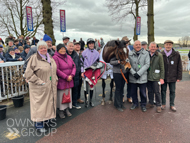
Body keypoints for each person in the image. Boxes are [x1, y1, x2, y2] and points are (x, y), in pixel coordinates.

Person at [25, 40, 58, 133]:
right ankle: (39, 124)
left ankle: (46, 120)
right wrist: (40, 82)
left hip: (49, 85)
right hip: (39, 87)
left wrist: (56, 79)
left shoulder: (50, 57)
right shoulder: (34, 58)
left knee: (48, 104)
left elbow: (53, 70)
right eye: (41, 48)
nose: (43, 49)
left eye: (45, 48)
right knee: (39, 105)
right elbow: (28, 74)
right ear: (38, 49)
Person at [53, 44, 76, 118]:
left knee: (68, 95)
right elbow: (56, 69)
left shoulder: (68, 57)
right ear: (58, 50)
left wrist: (72, 75)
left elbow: (74, 66)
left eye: (64, 48)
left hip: (69, 79)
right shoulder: (55, 57)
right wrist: (66, 77)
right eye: (61, 49)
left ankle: (66, 109)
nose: (63, 50)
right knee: (61, 96)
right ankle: (60, 110)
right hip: (62, 80)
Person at [161, 40, 182, 112]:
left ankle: (172, 105)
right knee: (163, 91)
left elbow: (179, 66)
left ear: (172, 46)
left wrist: (179, 77)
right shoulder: (161, 54)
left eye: (170, 45)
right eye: (167, 44)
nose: (168, 46)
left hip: (173, 76)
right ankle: (163, 103)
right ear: (164, 45)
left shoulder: (176, 54)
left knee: (172, 91)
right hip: (163, 77)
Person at [129, 40, 150, 112]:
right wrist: (134, 73)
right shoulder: (129, 54)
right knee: (133, 92)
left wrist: (139, 73)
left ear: (141, 45)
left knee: (143, 92)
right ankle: (135, 103)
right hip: (133, 76)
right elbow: (128, 64)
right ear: (133, 46)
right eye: (136, 45)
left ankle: (143, 104)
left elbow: (147, 64)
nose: (138, 46)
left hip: (142, 77)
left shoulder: (146, 53)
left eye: (139, 44)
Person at [146, 42, 165, 113]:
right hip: (148, 77)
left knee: (157, 92)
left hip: (156, 77)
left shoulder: (159, 55)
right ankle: (151, 102)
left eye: (154, 47)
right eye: (152, 47)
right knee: (150, 91)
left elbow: (162, 67)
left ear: (156, 48)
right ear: (149, 47)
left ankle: (158, 105)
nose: (153, 48)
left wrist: (161, 77)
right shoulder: (146, 54)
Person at [81, 38, 99, 107]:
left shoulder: (97, 53)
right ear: (88, 44)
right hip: (86, 71)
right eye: (90, 44)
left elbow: (98, 62)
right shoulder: (84, 52)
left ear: (94, 44)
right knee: (85, 88)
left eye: (92, 43)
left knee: (92, 87)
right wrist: (82, 71)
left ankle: (91, 100)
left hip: (93, 72)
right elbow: (81, 63)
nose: (91, 45)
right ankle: (86, 101)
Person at [66, 42, 82, 109]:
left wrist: (79, 73)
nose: (71, 47)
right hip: (67, 76)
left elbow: (78, 64)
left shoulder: (76, 54)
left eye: (72, 46)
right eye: (70, 46)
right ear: (67, 46)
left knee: (75, 90)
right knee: (67, 91)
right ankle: (67, 104)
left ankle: (74, 103)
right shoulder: (65, 54)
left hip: (75, 75)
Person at [121, 36, 132, 103]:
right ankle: (122, 97)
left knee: (129, 84)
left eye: (127, 41)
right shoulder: (120, 49)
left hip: (129, 69)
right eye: (124, 41)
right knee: (122, 84)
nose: (126, 43)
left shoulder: (131, 48)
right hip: (123, 68)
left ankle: (128, 96)